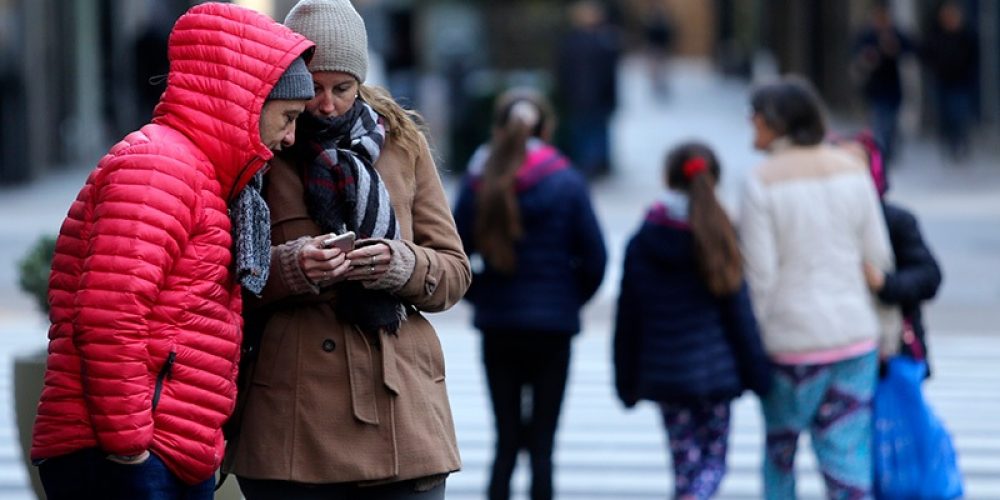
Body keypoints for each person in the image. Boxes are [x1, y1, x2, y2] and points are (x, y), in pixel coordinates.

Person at [29, 3, 315, 499]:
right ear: (248, 100)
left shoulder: (204, 176)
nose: (290, 137)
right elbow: (108, 313)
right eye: (288, 117)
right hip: (129, 457)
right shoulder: (159, 167)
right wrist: (129, 447)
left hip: (169, 452)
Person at [221, 1, 471, 499]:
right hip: (295, 418)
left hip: (401, 409)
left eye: (342, 88)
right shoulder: (261, 146)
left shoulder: (402, 143)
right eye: (312, 89)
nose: (327, 105)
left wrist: (401, 263)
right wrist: (293, 266)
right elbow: (220, 278)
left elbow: (454, 272)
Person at [739, 76, 895, 499]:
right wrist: (886, 332)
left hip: (790, 344)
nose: (749, 123)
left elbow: (760, 277)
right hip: (854, 337)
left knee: (780, 456)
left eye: (754, 116)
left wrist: (750, 343)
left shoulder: (761, 181)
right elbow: (877, 258)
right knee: (846, 459)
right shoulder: (851, 171)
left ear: (775, 122)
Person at [452, 87, 607, 500]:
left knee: (505, 441)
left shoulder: (479, 180)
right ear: (546, 126)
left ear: (498, 126)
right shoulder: (567, 180)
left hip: (499, 323)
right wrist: (569, 299)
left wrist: (481, 295)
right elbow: (595, 258)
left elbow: (454, 253)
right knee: (543, 446)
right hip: (553, 328)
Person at [613, 142, 771, 500]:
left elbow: (629, 317)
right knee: (714, 463)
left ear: (667, 179)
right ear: (714, 178)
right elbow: (739, 312)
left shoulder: (645, 239)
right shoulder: (721, 235)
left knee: (685, 465)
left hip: (666, 374)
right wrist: (756, 372)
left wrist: (626, 381)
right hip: (717, 373)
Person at [839, 131, 943, 374]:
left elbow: (929, 277)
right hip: (839, 345)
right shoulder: (821, 220)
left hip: (892, 350)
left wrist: (885, 283)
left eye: (855, 165)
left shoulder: (896, 221)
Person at [555, 0, 621, 178]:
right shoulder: (603, 42)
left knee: (586, 132)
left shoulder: (571, 42)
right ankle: (596, 165)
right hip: (595, 98)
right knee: (593, 131)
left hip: (581, 98)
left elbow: (562, 73)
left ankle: (590, 165)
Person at [852, 1, 914, 166]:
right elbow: (857, 57)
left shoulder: (895, 34)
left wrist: (895, 47)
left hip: (893, 88)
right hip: (875, 89)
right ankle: (882, 152)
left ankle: (890, 151)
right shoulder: (867, 36)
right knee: (880, 123)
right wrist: (868, 57)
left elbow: (911, 48)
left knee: (892, 123)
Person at [921, 0, 979, 162]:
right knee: (945, 115)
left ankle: (960, 143)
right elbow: (926, 53)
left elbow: (974, 57)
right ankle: (950, 143)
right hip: (942, 81)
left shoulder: (965, 34)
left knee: (959, 114)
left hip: (961, 82)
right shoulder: (936, 34)